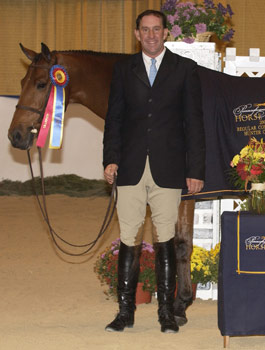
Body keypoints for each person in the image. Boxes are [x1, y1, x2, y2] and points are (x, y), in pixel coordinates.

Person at [102, 9, 205, 334]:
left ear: (165, 33)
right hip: (130, 168)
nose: (150, 34)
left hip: (169, 168)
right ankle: (125, 312)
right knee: (129, 238)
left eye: (156, 29)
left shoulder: (185, 70)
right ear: (137, 34)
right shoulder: (122, 70)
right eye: (144, 30)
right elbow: (114, 119)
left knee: (165, 240)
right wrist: (110, 159)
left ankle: (165, 313)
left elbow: (194, 124)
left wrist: (195, 169)